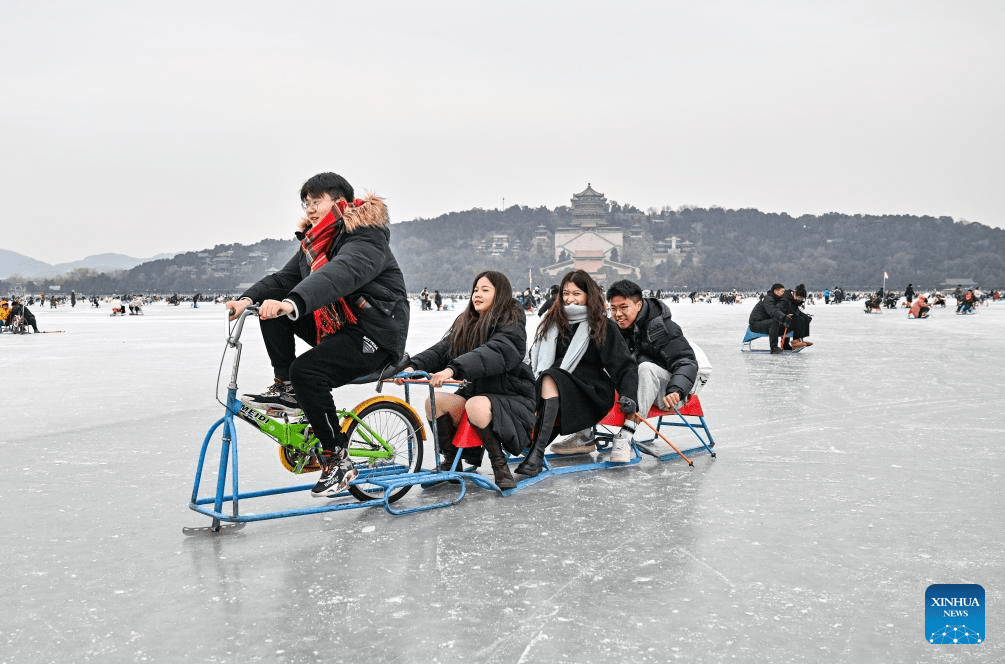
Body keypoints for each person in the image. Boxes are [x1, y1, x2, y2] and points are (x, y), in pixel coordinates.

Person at [225, 172, 410, 498]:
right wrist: (247, 300)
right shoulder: (315, 243)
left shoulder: (366, 238)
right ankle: (287, 388)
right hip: (341, 327)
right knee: (273, 305)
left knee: (308, 369)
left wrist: (292, 302)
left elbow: (339, 274)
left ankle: (337, 458)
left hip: (376, 335)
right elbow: (282, 279)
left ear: (340, 202)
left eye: (317, 201)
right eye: (306, 203)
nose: (310, 209)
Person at [401, 271, 535, 489]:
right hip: (478, 392)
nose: (477, 294)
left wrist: (454, 369)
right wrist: (413, 366)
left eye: (485, 290)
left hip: (512, 397)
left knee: (476, 405)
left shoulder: (512, 322)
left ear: (499, 294)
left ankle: (500, 465)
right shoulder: (467, 322)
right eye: (475, 290)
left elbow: (494, 352)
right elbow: (442, 350)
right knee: (436, 403)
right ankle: (451, 463)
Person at [552, 279, 702, 458]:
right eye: (613, 309)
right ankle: (584, 434)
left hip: (668, 392)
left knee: (646, 368)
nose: (617, 314)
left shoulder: (661, 328)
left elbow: (686, 361)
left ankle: (627, 433)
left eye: (624, 307)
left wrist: (676, 390)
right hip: (635, 388)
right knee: (591, 369)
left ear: (638, 304)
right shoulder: (614, 328)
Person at [518, 270, 639, 475]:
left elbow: (624, 365)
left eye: (576, 294)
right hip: (557, 386)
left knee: (550, 378)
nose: (569, 299)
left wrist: (629, 396)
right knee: (548, 378)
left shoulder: (601, 325)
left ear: (587, 295)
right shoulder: (552, 322)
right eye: (566, 293)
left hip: (590, 391)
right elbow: (534, 357)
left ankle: (536, 453)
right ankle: (532, 447)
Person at [748, 283, 789, 354]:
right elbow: (773, 312)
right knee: (774, 322)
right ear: (776, 291)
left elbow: (780, 310)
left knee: (786, 323)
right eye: (782, 291)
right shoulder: (768, 299)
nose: (783, 293)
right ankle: (773, 348)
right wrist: (784, 317)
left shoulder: (777, 299)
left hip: (764, 322)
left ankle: (786, 345)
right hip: (756, 324)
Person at [781, 284, 814, 349]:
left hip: (786, 320)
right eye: (799, 297)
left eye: (802, 298)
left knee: (806, 318)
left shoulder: (794, 299)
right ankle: (795, 341)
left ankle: (800, 339)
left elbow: (796, 310)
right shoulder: (786, 298)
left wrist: (805, 316)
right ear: (795, 294)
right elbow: (790, 311)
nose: (800, 299)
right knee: (798, 319)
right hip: (779, 320)